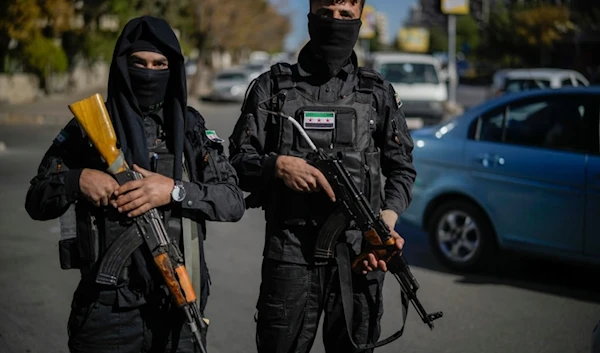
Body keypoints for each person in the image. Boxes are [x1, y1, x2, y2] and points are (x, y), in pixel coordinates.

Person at [25, 16, 245, 353]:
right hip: (106, 309)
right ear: (122, 66)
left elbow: (232, 201)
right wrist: (76, 179)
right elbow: (36, 199)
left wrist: (172, 190)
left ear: (173, 69)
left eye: (160, 64)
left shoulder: (189, 128)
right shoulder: (89, 128)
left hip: (177, 302)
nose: (148, 72)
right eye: (138, 63)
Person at [228, 1, 416, 352]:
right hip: (290, 256)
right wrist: (277, 166)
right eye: (326, 12)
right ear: (310, 15)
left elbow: (402, 169)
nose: (335, 22)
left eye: (346, 15)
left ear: (360, 20)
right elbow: (237, 161)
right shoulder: (271, 88)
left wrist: (385, 223)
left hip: (361, 258)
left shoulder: (377, 93)